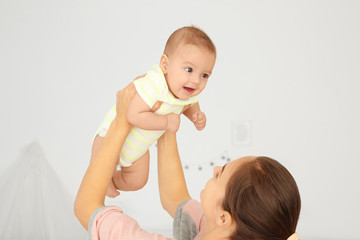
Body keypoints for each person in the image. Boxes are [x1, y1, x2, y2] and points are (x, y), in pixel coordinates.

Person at [74, 82, 302, 240]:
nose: (215, 169)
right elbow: (176, 199)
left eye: (220, 175)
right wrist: (166, 121)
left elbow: (86, 209)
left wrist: (121, 123)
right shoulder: (225, 230)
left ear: (223, 218)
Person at [91, 26, 217, 197]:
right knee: (101, 166)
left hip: (137, 148)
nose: (196, 80)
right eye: (189, 70)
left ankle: (112, 179)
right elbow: (133, 115)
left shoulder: (186, 91)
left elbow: (190, 104)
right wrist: (166, 122)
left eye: (205, 75)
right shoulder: (155, 84)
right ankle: (102, 179)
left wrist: (196, 116)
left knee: (137, 181)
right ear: (165, 64)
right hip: (111, 136)